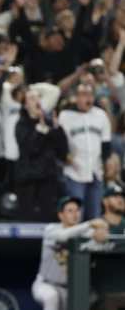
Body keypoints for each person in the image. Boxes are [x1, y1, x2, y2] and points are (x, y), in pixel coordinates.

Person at [32, 196, 109, 310]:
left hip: (71, 289)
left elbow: (101, 236)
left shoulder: (84, 232)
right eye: (70, 211)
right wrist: (89, 224)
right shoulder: (51, 229)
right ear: (60, 215)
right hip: (46, 283)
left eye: (77, 210)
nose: (75, 214)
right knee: (51, 297)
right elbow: (64, 236)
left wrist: (101, 233)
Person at [58, 83, 112, 220]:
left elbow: (106, 145)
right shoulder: (65, 116)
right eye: (83, 95)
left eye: (90, 95)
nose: (88, 98)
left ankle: (92, 242)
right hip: (74, 172)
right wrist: (65, 157)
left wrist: (105, 165)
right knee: (76, 216)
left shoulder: (101, 115)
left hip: (95, 172)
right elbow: (58, 143)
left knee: (94, 216)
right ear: (75, 97)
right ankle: (75, 242)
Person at [14, 89, 68, 221]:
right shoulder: (21, 125)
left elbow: (63, 151)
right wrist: (41, 130)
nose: (37, 101)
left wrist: (58, 130)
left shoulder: (50, 123)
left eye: (38, 98)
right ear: (26, 105)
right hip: (29, 182)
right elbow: (31, 149)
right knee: (29, 219)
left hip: (48, 179)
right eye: (32, 98)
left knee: (48, 216)